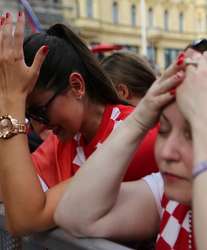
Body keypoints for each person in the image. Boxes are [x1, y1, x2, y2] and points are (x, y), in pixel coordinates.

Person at [55, 49, 207, 249]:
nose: (166, 152)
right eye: (163, 130)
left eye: (194, 134)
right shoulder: (172, 191)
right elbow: (75, 216)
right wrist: (140, 118)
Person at [0, 12, 158, 235]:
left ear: (77, 85)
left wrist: (11, 104)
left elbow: (25, 219)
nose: (36, 126)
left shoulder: (130, 135)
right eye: (27, 115)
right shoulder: (67, 137)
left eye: (40, 111)